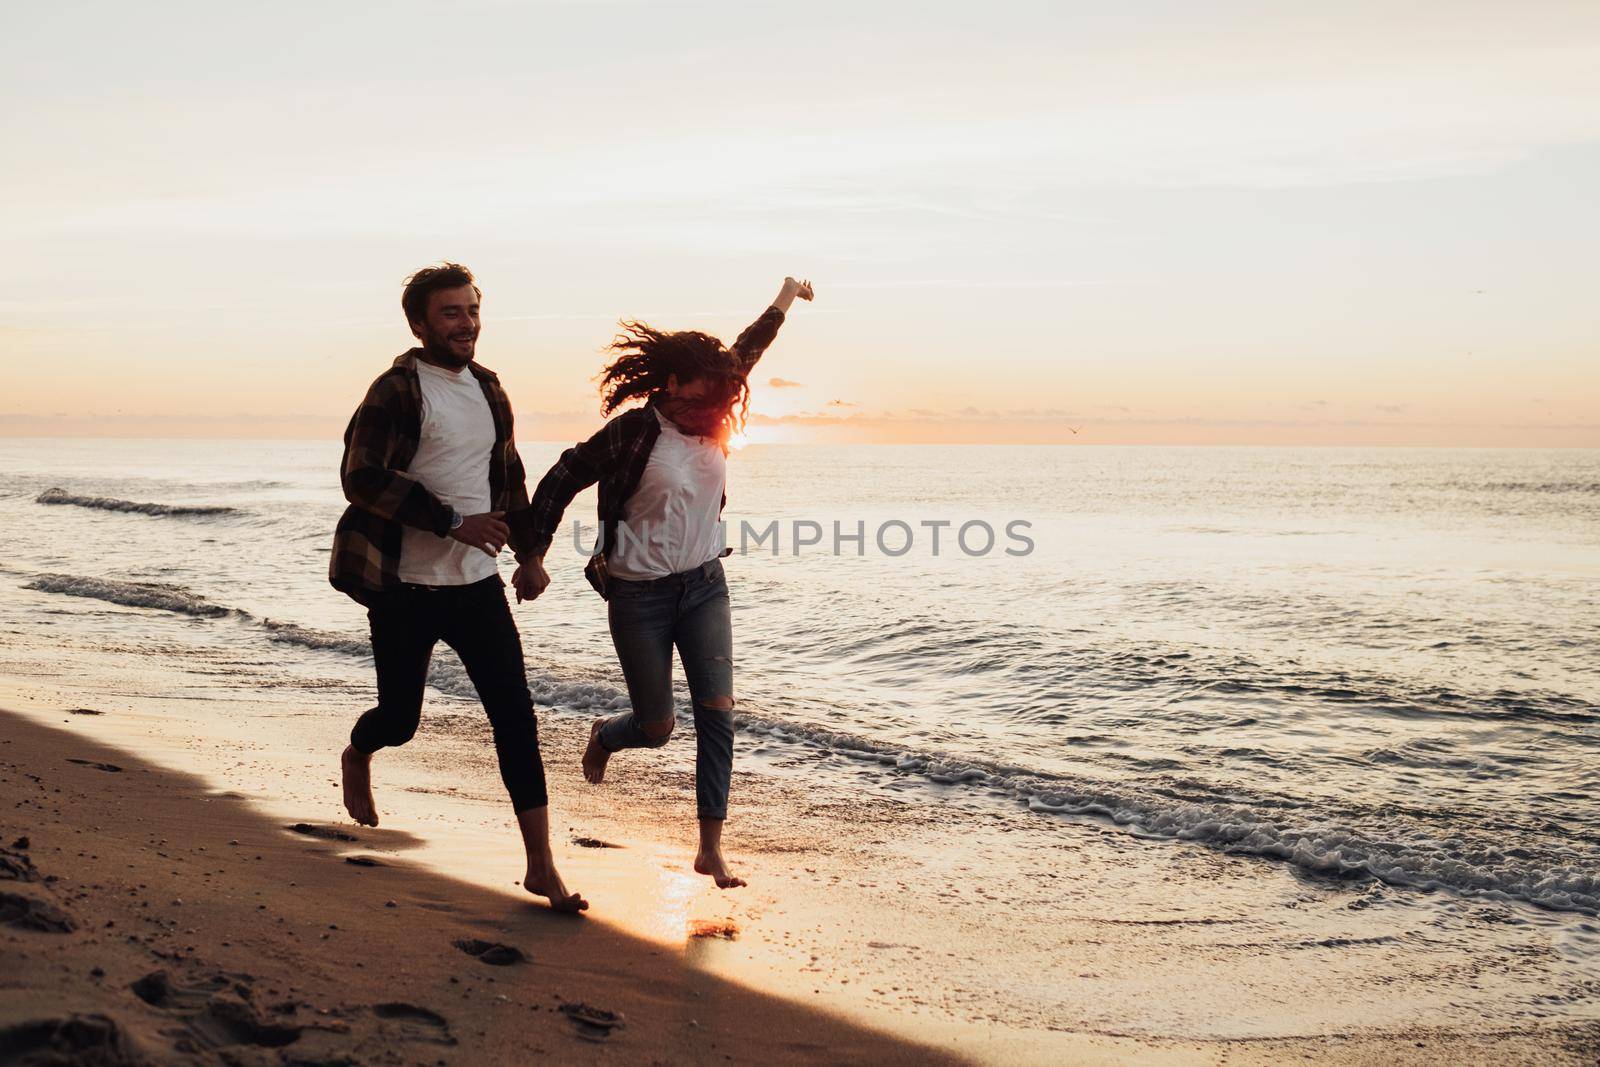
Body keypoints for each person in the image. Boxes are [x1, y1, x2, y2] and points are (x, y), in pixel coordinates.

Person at [516, 277, 814, 889]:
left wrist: (785, 298)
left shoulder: (714, 413)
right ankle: (607, 735)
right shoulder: (632, 433)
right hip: (638, 596)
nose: (715, 404)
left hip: (705, 584)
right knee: (657, 728)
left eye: (722, 392)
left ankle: (710, 848)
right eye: (701, 392)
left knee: (718, 713)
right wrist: (535, 553)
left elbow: (750, 348)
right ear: (671, 383)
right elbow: (562, 476)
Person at [327, 262, 585, 912]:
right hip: (405, 586)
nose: (466, 323)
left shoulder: (490, 389)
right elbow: (360, 476)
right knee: (400, 719)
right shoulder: (396, 389)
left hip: (477, 586)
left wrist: (529, 555)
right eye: (451, 312)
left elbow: (510, 477)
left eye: (472, 310)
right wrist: (450, 522)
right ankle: (359, 751)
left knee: (515, 718)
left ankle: (541, 866)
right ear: (419, 323)